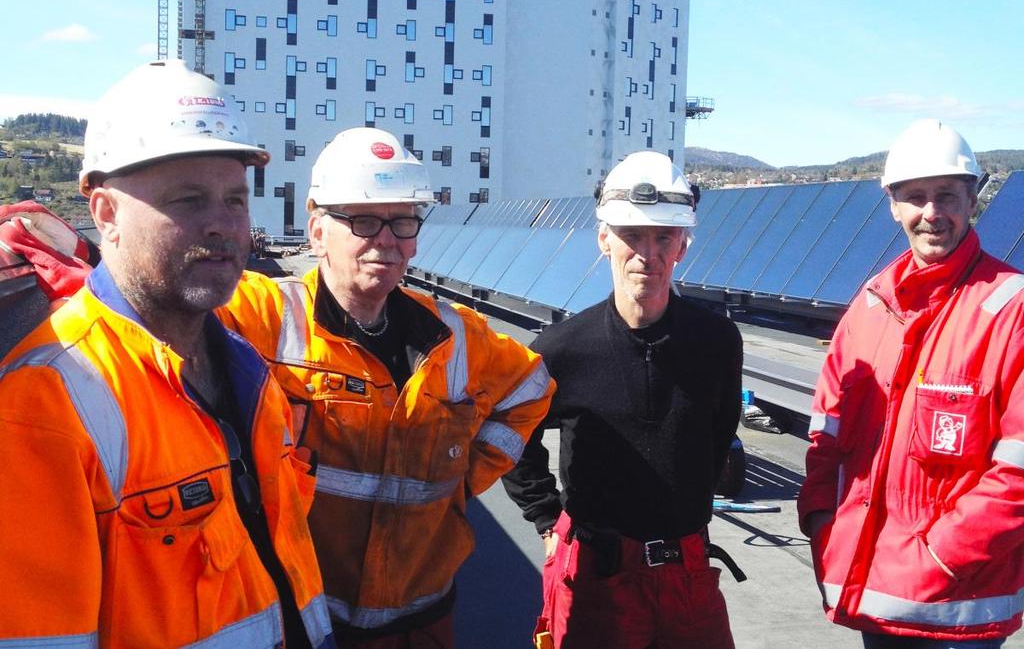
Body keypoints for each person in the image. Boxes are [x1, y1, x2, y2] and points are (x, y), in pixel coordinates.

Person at [0, 60, 333, 648]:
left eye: (235, 200)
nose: (223, 226)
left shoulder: (244, 364)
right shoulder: (45, 404)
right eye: (187, 200)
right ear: (106, 214)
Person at [219, 126, 554, 648]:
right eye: (364, 220)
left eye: (402, 221)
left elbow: (531, 388)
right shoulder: (262, 316)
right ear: (316, 231)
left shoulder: (455, 335)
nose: (386, 240)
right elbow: (157, 316)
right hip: (303, 620)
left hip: (422, 621)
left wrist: (465, 479)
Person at [503, 150, 743, 649]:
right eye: (631, 236)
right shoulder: (562, 348)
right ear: (603, 240)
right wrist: (547, 518)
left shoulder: (717, 340)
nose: (647, 254)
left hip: (688, 576)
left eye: (663, 237)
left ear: (682, 245)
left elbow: (720, 431)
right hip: (597, 577)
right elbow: (513, 437)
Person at [798, 119, 1024, 648]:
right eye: (915, 197)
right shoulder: (872, 305)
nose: (932, 213)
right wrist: (820, 522)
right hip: (875, 591)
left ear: (974, 199)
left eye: (947, 195)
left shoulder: (1011, 310)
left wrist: (938, 556)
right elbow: (825, 434)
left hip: (957, 608)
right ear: (893, 205)